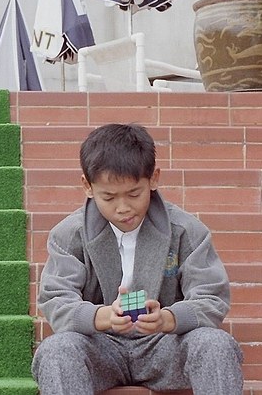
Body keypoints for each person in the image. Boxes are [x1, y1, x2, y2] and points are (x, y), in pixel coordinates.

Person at [31, 123, 243, 394]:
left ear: (153, 179)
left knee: (216, 344)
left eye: (134, 194)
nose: (123, 208)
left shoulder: (187, 231)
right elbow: (56, 298)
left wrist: (168, 319)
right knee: (56, 350)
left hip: (164, 343)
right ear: (87, 186)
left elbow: (211, 297)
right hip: (100, 345)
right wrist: (102, 316)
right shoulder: (69, 234)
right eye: (109, 197)